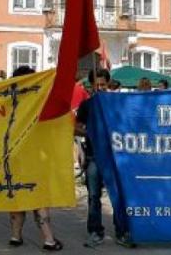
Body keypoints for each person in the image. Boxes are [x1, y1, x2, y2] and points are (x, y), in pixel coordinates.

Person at [76, 69, 134, 248]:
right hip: (94, 156)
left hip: (115, 157)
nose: (100, 88)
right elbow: (76, 128)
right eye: (97, 84)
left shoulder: (117, 104)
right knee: (94, 196)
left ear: (108, 84)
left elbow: (128, 126)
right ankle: (95, 231)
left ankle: (122, 231)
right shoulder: (86, 105)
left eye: (103, 84)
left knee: (118, 195)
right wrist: (92, 133)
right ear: (91, 85)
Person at [8, 65, 63, 251]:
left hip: (14, 157)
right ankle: (48, 239)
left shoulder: (9, 101)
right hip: (36, 156)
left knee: (17, 196)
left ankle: (16, 236)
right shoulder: (38, 100)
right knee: (39, 197)